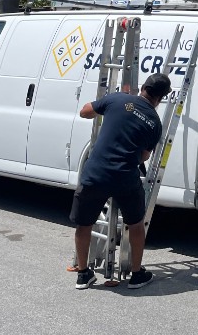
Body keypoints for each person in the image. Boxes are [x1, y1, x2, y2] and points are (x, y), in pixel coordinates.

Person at [69, 72, 172, 290]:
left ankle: (83, 274)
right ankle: (136, 275)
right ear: (161, 98)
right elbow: (144, 156)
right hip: (125, 176)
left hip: (95, 173)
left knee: (84, 223)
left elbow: (85, 111)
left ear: (143, 87)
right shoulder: (154, 122)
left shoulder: (117, 98)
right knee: (135, 223)